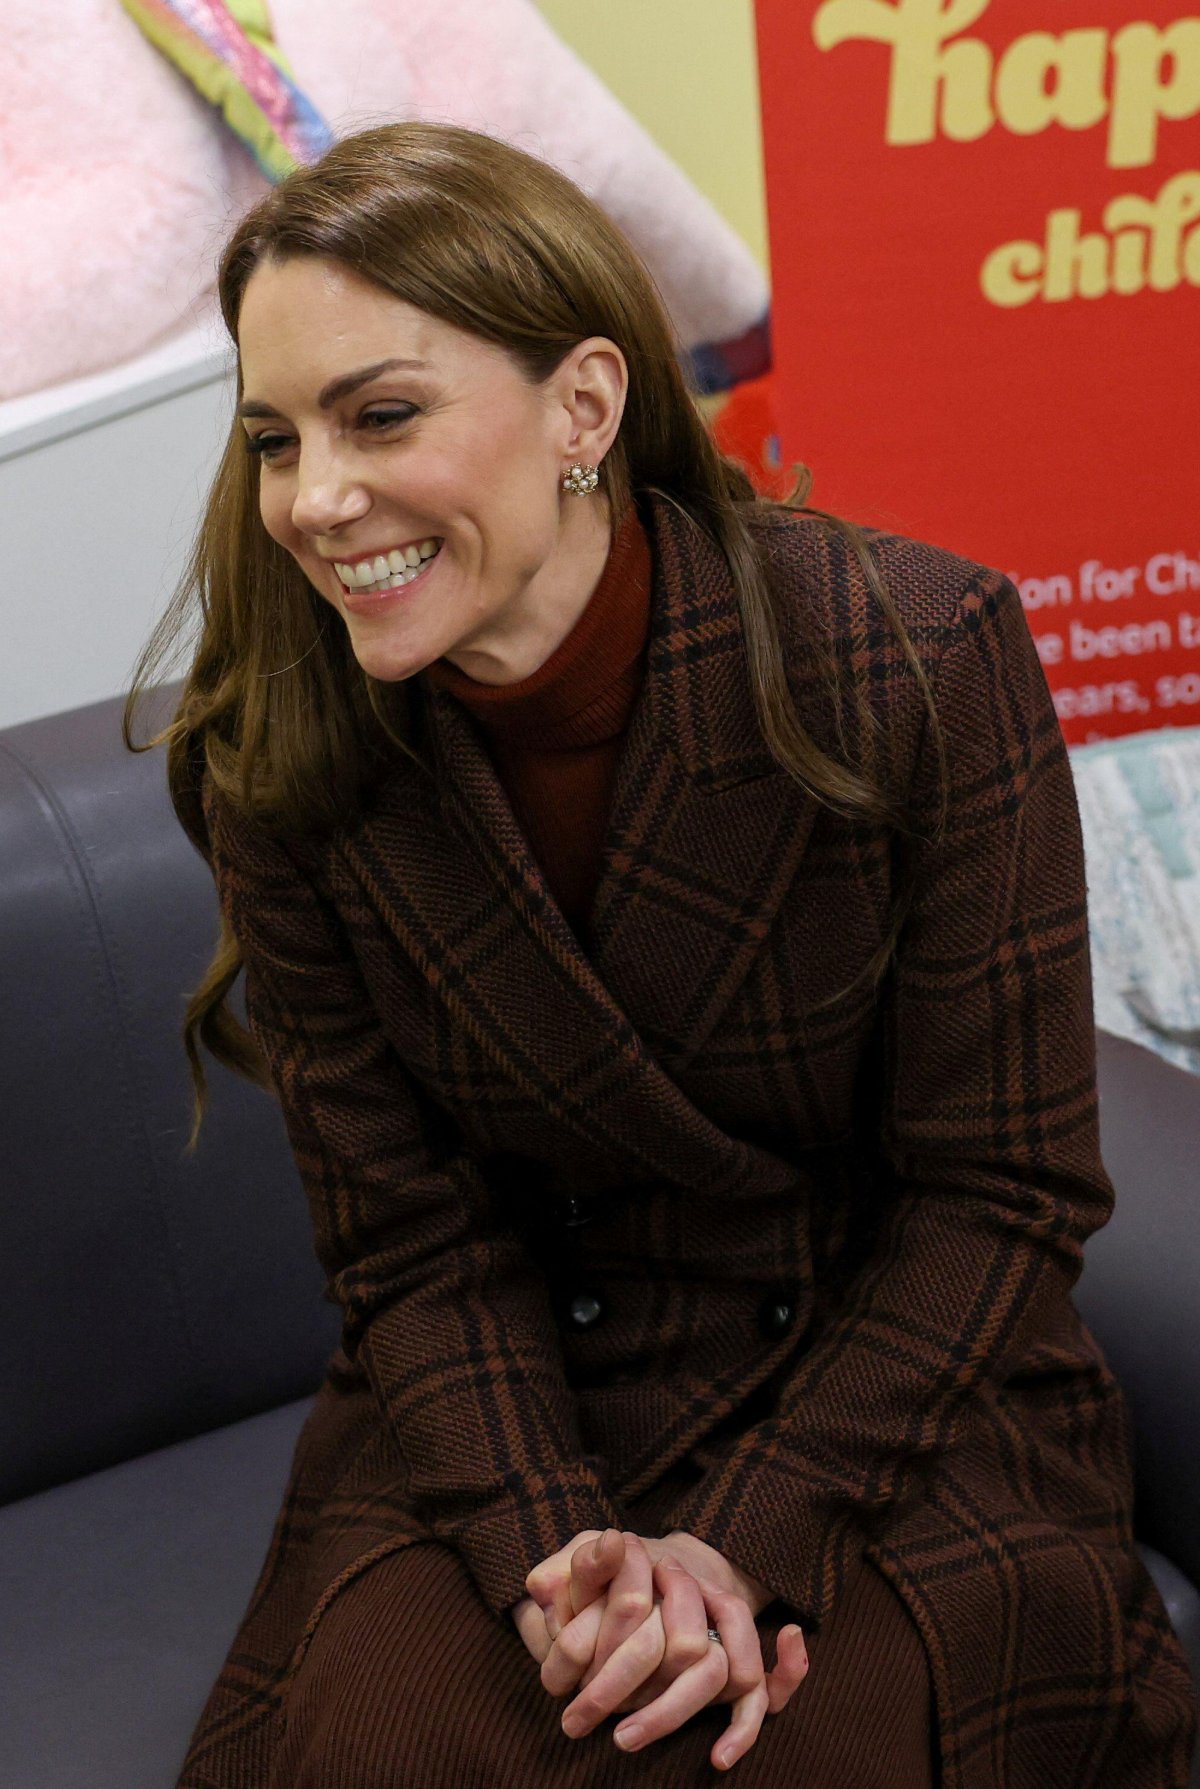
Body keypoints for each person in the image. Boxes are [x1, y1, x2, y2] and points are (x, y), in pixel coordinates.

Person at [125, 121, 1196, 1788]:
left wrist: (747, 1537)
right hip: (516, 1396)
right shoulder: (277, 755)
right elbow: (408, 1246)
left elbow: (1000, 1196)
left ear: (585, 407)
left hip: (889, 1400)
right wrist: (557, 1555)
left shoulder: (919, 657)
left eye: (380, 413)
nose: (314, 499)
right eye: (275, 437)